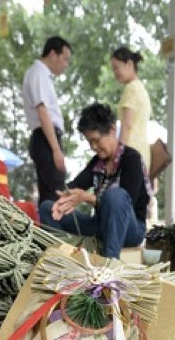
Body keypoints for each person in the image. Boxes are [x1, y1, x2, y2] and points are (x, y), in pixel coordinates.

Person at [39, 103, 149, 259]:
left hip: (130, 229)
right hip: (100, 225)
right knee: (47, 207)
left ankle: (110, 263)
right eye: (89, 141)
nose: (93, 146)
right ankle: (63, 258)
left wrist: (85, 198)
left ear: (112, 130)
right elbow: (74, 186)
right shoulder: (97, 163)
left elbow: (123, 203)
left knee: (116, 196)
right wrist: (65, 197)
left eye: (96, 140)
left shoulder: (132, 159)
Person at [22, 36, 72, 205]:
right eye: (65, 59)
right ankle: (55, 232)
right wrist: (56, 149)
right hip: (46, 138)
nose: (66, 64)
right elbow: (42, 110)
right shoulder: (39, 73)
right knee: (55, 194)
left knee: (49, 195)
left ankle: (50, 230)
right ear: (53, 54)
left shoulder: (41, 75)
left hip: (45, 138)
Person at [110, 46, 156, 223]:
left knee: (123, 201)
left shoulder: (131, 89)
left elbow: (127, 126)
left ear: (129, 64)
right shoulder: (141, 89)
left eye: (116, 67)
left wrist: (117, 156)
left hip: (131, 150)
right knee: (138, 203)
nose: (115, 73)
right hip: (142, 151)